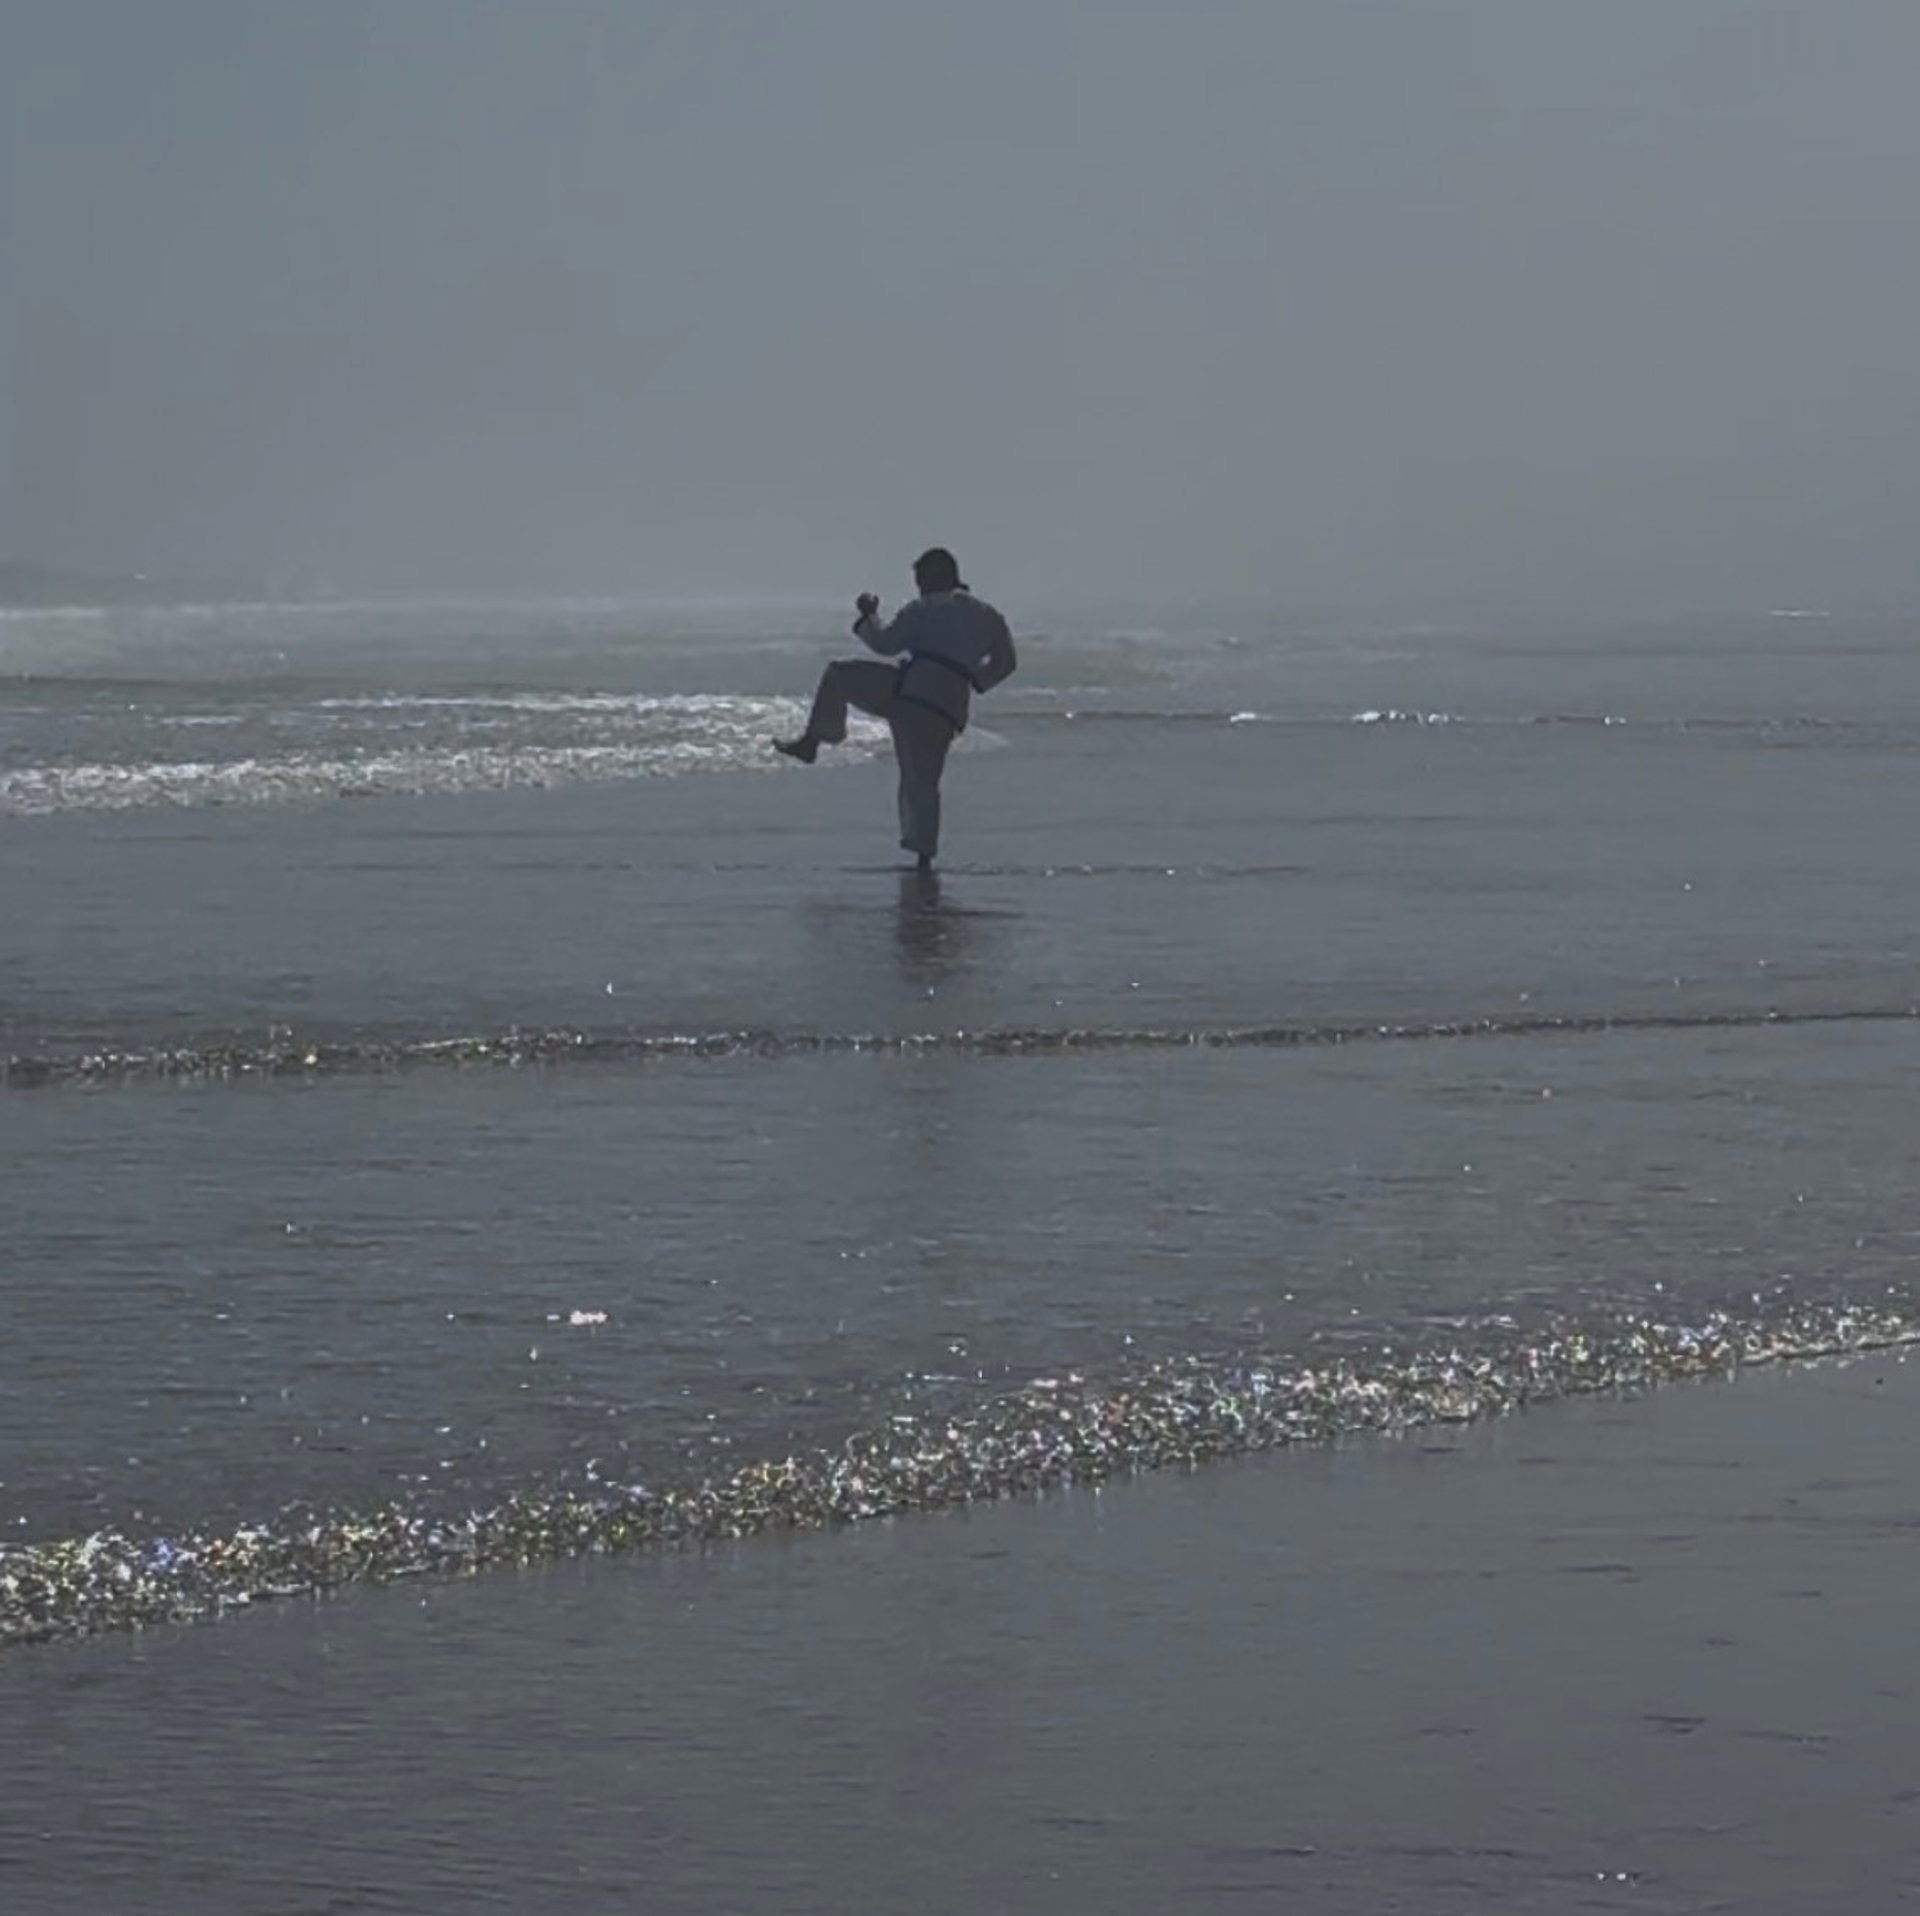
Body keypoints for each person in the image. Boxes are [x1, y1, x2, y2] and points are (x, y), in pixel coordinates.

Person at [773, 547, 1017, 870]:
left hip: (913, 695)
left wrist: (868, 614)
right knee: (924, 780)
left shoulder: (923, 608)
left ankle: (817, 738)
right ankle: (923, 856)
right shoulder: (988, 616)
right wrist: (977, 681)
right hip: (946, 704)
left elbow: (886, 644)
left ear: (933, 578)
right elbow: (1007, 661)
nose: (918, 586)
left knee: (840, 676)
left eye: (920, 579)